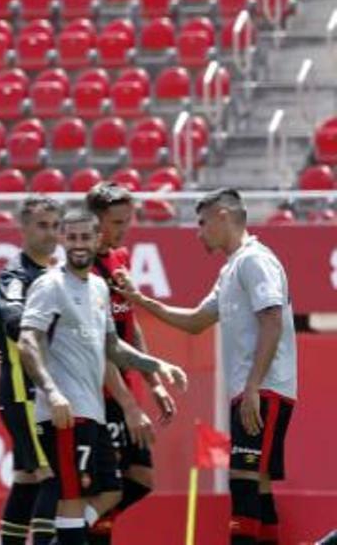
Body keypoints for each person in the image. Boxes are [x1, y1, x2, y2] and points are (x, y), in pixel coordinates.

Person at [112, 189, 297, 545]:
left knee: (243, 479)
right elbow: (196, 320)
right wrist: (138, 299)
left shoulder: (254, 260)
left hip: (264, 390)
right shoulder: (232, 269)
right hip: (255, 390)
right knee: (255, 483)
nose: (198, 232)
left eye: (202, 222)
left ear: (224, 215)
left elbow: (272, 319)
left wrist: (254, 387)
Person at [17, 210, 187, 545]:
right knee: (72, 499)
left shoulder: (98, 288)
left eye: (86, 238)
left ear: (97, 240)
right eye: (73, 237)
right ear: (63, 239)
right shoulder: (49, 284)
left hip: (91, 411)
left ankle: (59, 539)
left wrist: (156, 366)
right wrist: (52, 393)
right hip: (65, 412)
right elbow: (27, 341)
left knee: (111, 490)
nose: (79, 244)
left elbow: (112, 346)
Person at [85, 182, 177, 544]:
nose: (124, 229)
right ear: (95, 221)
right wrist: (128, 404)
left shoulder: (119, 258)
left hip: (123, 387)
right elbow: (98, 344)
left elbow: (129, 322)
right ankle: (72, 531)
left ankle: (81, 528)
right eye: (116, 222)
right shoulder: (84, 271)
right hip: (98, 394)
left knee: (139, 478)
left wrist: (153, 381)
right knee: (108, 483)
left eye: (128, 220)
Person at [0, 196, 62, 545]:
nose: (50, 233)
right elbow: (14, 320)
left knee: (27, 479)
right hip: (25, 391)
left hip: (36, 391)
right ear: (23, 228)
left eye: (54, 226)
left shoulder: (51, 274)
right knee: (54, 479)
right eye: (41, 225)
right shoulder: (15, 275)